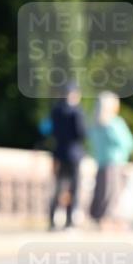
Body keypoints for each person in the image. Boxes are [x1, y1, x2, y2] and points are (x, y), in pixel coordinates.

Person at [88, 91, 133, 228]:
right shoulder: (114, 123)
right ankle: (108, 220)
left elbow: (91, 144)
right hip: (115, 162)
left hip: (100, 161)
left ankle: (99, 218)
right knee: (112, 193)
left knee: (101, 192)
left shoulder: (94, 124)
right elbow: (128, 143)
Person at [49, 82, 85, 230]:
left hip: (58, 153)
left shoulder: (55, 110)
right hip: (74, 155)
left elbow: (50, 131)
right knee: (73, 189)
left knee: (58, 187)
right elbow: (81, 133)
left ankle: (52, 220)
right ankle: (69, 221)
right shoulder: (77, 112)